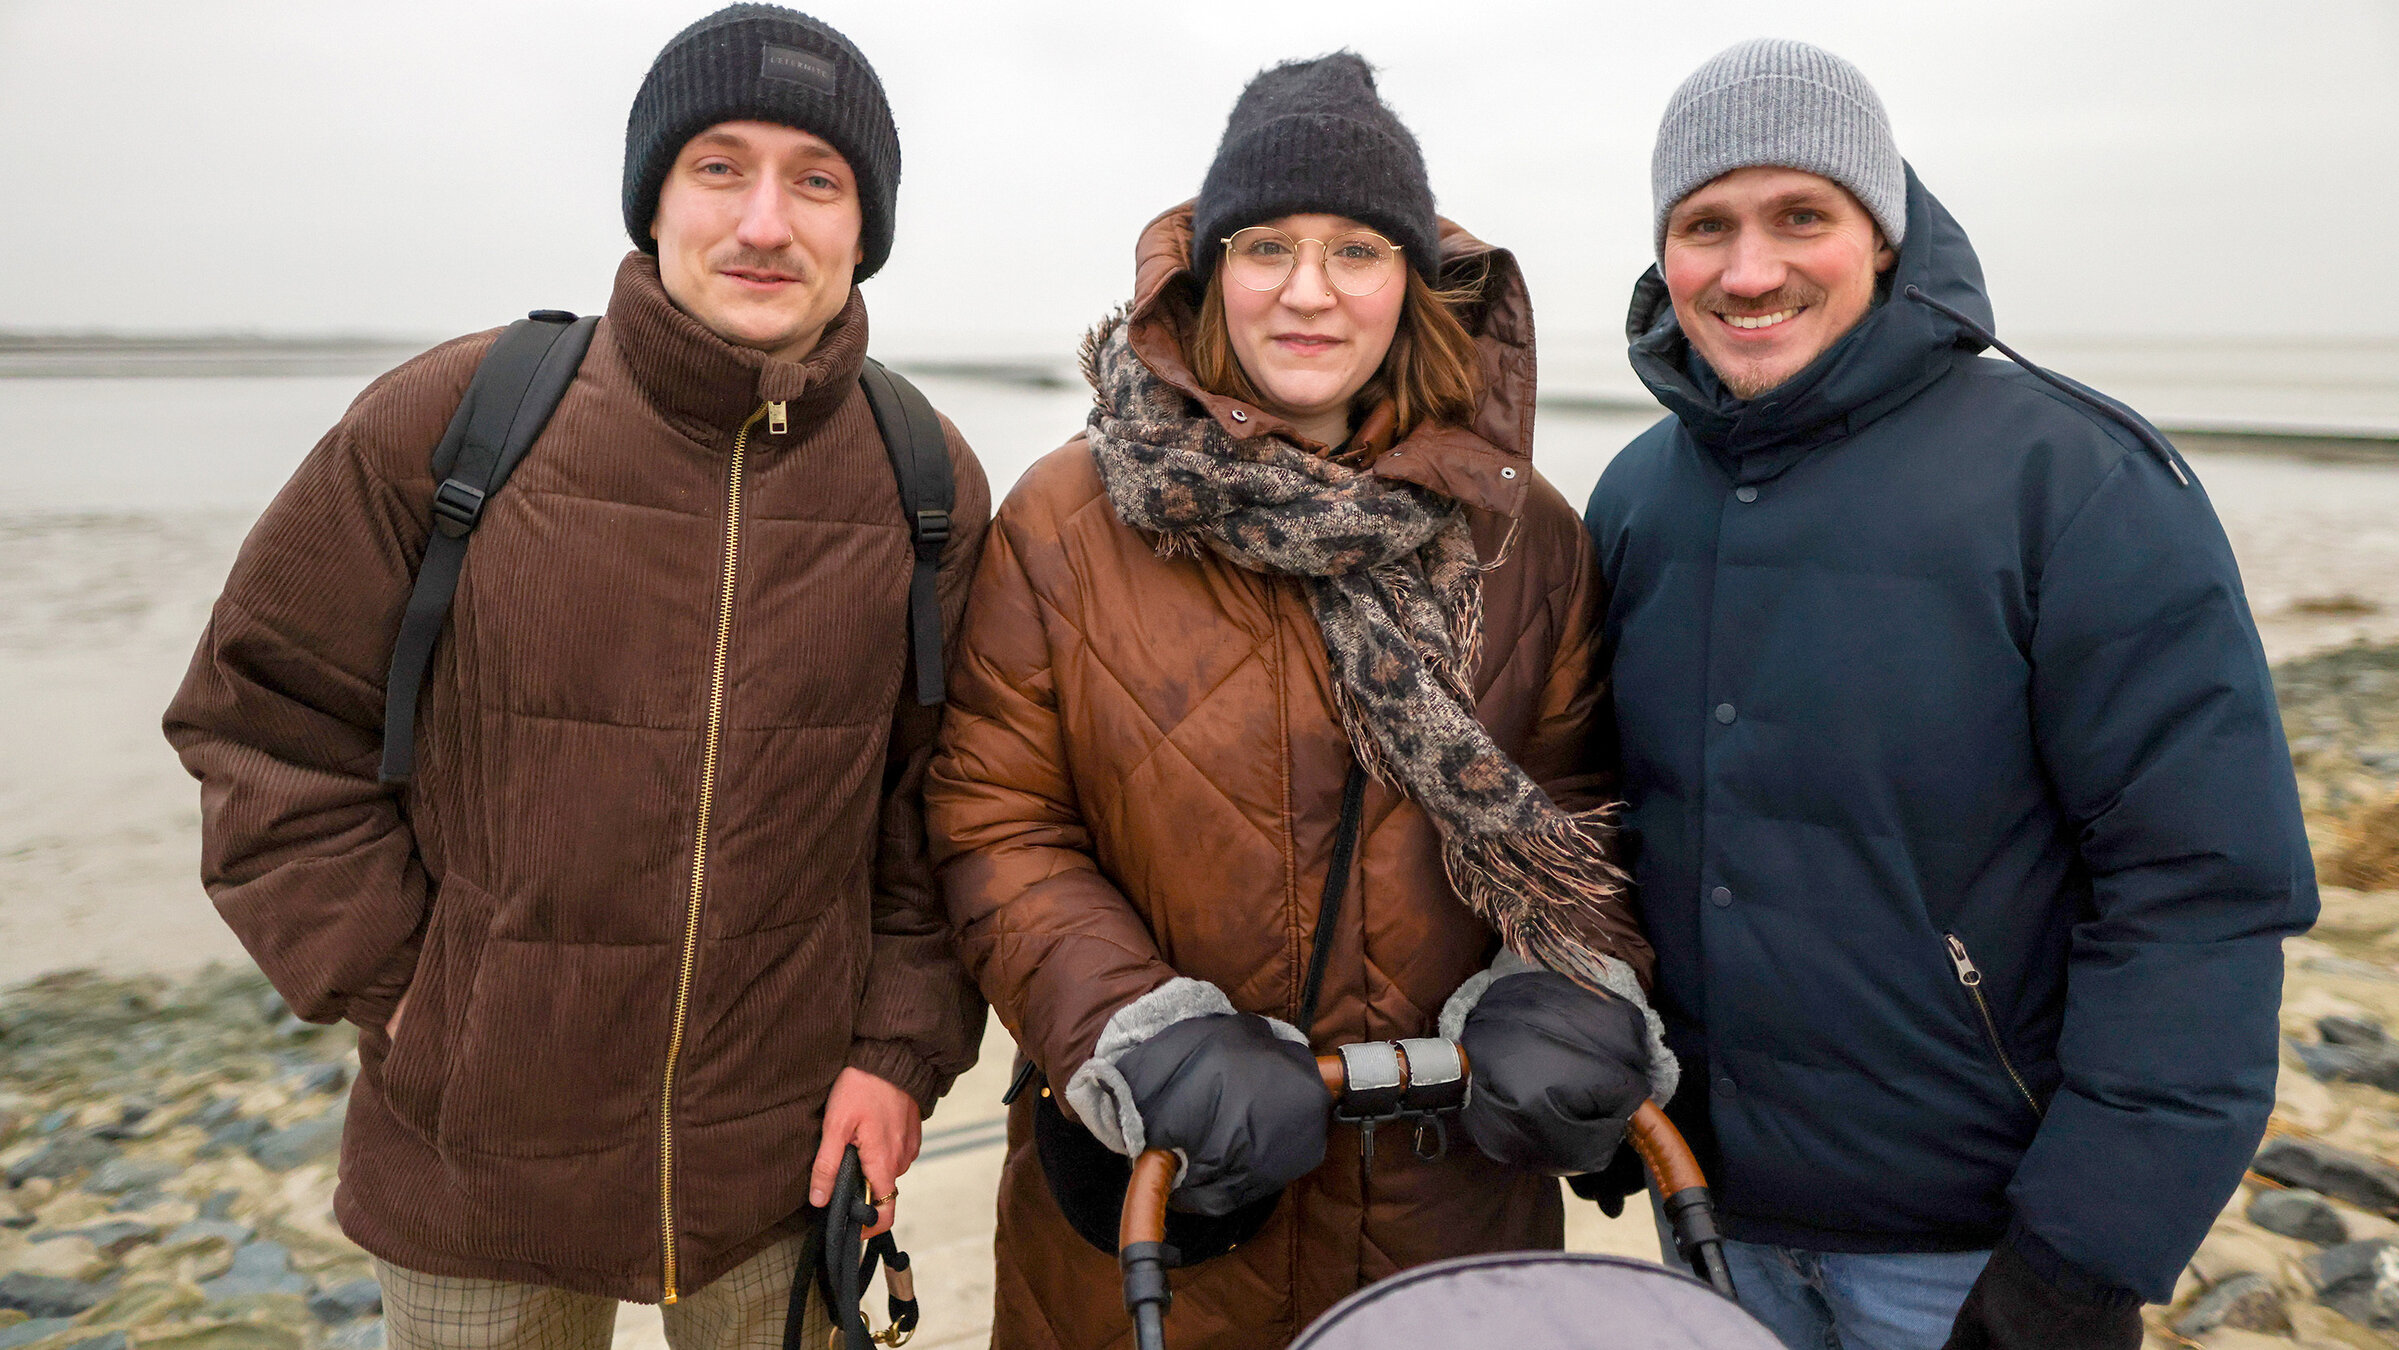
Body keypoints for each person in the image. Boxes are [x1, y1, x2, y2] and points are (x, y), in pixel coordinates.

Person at [162, 7, 990, 1347]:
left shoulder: (924, 478)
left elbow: (941, 810)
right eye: (720, 166)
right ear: (652, 197)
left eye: (816, 179)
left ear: (864, 223)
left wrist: (896, 1055)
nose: (766, 220)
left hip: (785, 1168)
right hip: (470, 1165)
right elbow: (259, 727)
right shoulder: (455, 422)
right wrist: (426, 1004)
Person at [1580, 38, 2318, 1350]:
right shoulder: (1635, 497)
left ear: (1882, 229)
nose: (1750, 271)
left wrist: (2090, 1253)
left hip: (1978, 1250)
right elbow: (1594, 830)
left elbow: (2198, 897)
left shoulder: (2078, 482)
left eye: (1801, 214)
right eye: (1707, 225)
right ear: (1664, 252)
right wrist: (1601, 1074)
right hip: (1712, 1219)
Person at [925, 53, 1670, 1350]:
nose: (1310, 290)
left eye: (1356, 249)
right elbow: (998, 820)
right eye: (1268, 244)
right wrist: (1136, 1030)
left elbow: (1576, 811)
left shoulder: (1528, 534)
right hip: (1161, 1216)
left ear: (1415, 282)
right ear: (1210, 273)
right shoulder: (1063, 522)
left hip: (1451, 1227)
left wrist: (1572, 979)